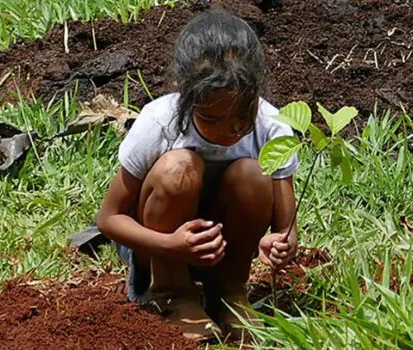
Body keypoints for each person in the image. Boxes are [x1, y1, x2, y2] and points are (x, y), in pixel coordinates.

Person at [97, 9, 299, 342]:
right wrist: (171, 245)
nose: (229, 131)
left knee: (253, 174)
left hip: (225, 250)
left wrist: (279, 244)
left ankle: (229, 293)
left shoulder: (272, 126)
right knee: (179, 168)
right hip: (161, 245)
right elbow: (108, 218)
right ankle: (174, 294)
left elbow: (286, 230)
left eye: (241, 117)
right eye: (212, 119)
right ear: (187, 97)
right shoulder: (161, 122)